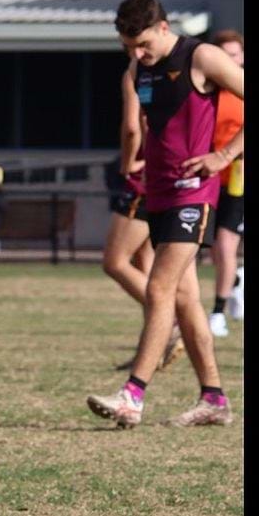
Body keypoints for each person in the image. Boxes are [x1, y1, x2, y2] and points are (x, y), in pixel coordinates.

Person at [86, 0, 244, 428]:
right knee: (187, 299)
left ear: (163, 27)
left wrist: (224, 155)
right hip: (157, 192)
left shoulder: (202, 56)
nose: (137, 55)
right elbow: (143, 127)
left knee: (158, 289)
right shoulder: (140, 67)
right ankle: (214, 398)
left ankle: (132, 395)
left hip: (193, 195)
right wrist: (136, 160)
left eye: (142, 45)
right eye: (127, 48)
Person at [103, 72, 185, 371]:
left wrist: (127, 164)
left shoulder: (137, 73)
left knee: (114, 262)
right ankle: (152, 344)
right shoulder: (172, 71)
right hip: (162, 173)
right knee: (143, 260)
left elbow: (132, 127)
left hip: (142, 180)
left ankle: (171, 320)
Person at [208, 29, 245, 337]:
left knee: (225, 243)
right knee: (213, 250)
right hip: (208, 177)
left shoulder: (241, 90)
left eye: (235, 54)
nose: (230, 61)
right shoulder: (207, 89)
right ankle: (234, 282)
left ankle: (217, 312)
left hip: (237, 175)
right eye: (225, 56)